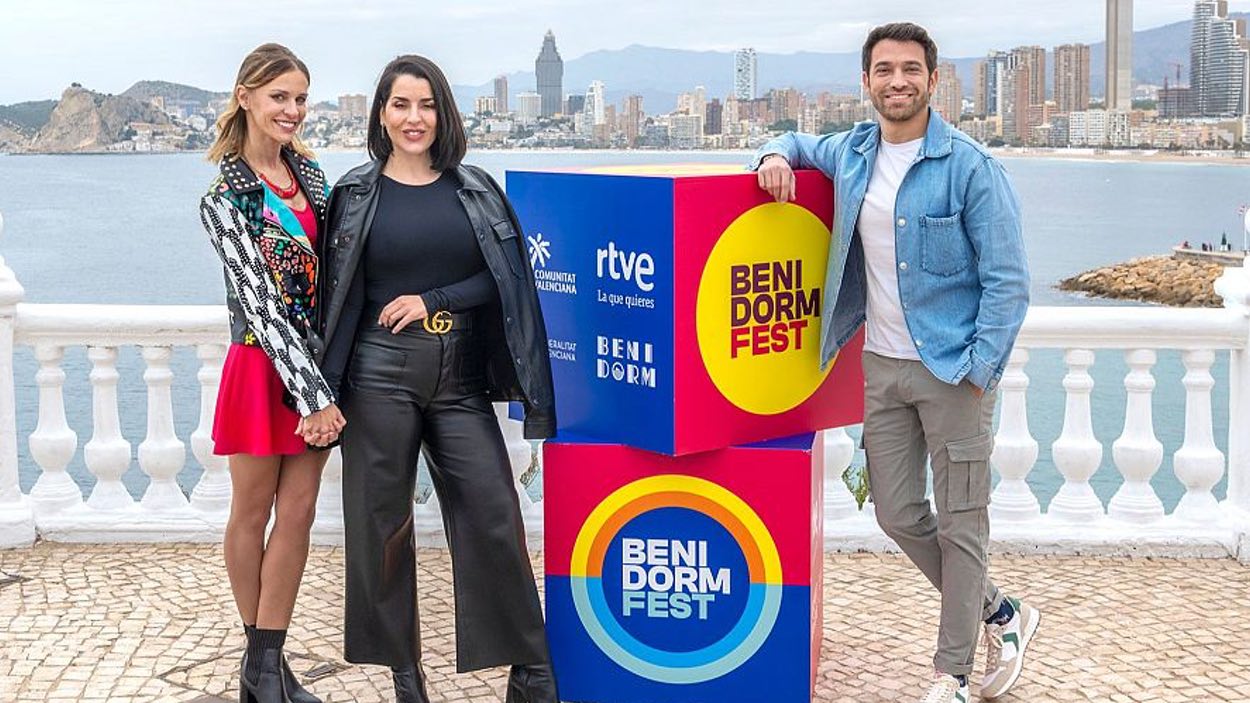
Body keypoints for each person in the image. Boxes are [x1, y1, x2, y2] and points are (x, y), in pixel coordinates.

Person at [752, 22, 1037, 703]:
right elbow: (792, 142)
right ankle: (1003, 609)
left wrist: (979, 369)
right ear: (867, 82)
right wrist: (771, 153)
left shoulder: (971, 166)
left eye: (911, 69)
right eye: (885, 70)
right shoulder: (851, 153)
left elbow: (1009, 280)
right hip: (880, 368)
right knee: (897, 513)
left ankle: (953, 674)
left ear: (933, 81)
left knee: (963, 521)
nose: (898, 80)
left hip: (953, 374)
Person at [318, 54, 558, 703]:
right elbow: (341, 301)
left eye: (425, 104)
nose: (414, 117)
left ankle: (532, 669)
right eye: (401, 104)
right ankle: (404, 675)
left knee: (494, 511)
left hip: (458, 379)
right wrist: (324, 395)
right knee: (382, 528)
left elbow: (503, 278)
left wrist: (434, 299)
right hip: (378, 374)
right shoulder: (355, 193)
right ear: (382, 113)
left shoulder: (474, 187)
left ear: (443, 112)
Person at [198, 42, 345, 703]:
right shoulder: (225, 195)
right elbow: (258, 301)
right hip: (262, 368)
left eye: (300, 98)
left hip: (314, 368)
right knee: (252, 511)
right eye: (279, 95)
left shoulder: (310, 178)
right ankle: (264, 671)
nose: (292, 109)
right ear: (246, 97)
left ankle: (265, 663)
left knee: (301, 511)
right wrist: (312, 395)